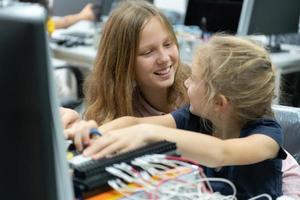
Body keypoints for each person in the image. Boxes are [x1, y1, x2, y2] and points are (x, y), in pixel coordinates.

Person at [66, 35, 288, 199]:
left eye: (193, 79)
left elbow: (222, 153)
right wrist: (96, 132)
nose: (185, 83)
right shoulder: (195, 116)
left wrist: (149, 133)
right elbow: (132, 123)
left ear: (219, 102)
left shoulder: (267, 136)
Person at [64, 0, 189, 149]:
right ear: (123, 63)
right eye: (148, 52)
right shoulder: (113, 111)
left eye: (168, 44)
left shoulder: (196, 91)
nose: (164, 58)